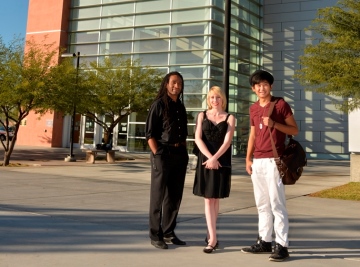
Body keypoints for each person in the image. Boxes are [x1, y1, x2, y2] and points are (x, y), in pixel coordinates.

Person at [241, 70, 299, 261]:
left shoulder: (280, 104)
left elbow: (294, 130)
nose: (261, 88)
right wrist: (248, 159)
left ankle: (282, 245)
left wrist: (274, 124)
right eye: (258, 85)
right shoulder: (253, 108)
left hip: (275, 160)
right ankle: (265, 241)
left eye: (265, 84)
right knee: (262, 204)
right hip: (258, 161)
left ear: (271, 86)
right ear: (253, 88)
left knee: (277, 204)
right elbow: (253, 135)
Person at [145, 71, 189, 249]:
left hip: (180, 154)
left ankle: (169, 231)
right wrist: (157, 154)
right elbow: (149, 134)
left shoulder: (180, 106)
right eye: (173, 82)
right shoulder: (158, 105)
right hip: (163, 154)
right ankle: (156, 234)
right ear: (166, 84)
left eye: (179, 83)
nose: (176, 86)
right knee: (158, 196)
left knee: (174, 197)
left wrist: (184, 151)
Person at [193, 86, 235, 253]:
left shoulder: (230, 117)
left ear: (222, 99)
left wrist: (215, 158)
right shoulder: (202, 115)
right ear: (208, 100)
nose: (215, 100)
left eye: (217, 97)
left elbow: (227, 142)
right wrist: (209, 158)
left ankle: (211, 234)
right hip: (206, 161)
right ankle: (213, 238)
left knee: (215, 199)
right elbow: (197, 138)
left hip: (221, 160)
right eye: (211, 98)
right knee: (208, 199)